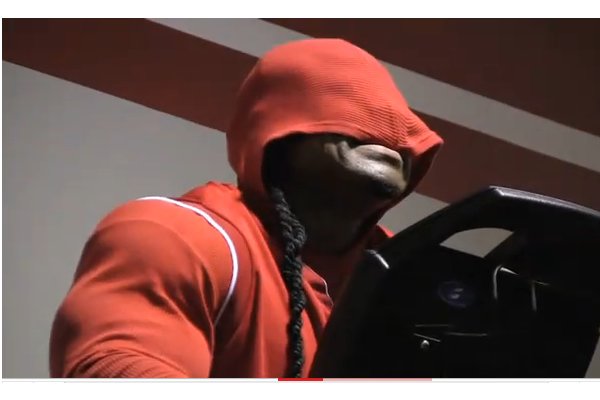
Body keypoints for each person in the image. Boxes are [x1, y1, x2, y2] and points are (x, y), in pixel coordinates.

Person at [49, 38, 444, 378]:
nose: (390, 128)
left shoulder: (417, 278)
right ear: (276, 134)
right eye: (351, 103)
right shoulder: (176, 236)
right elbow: (116, 366)